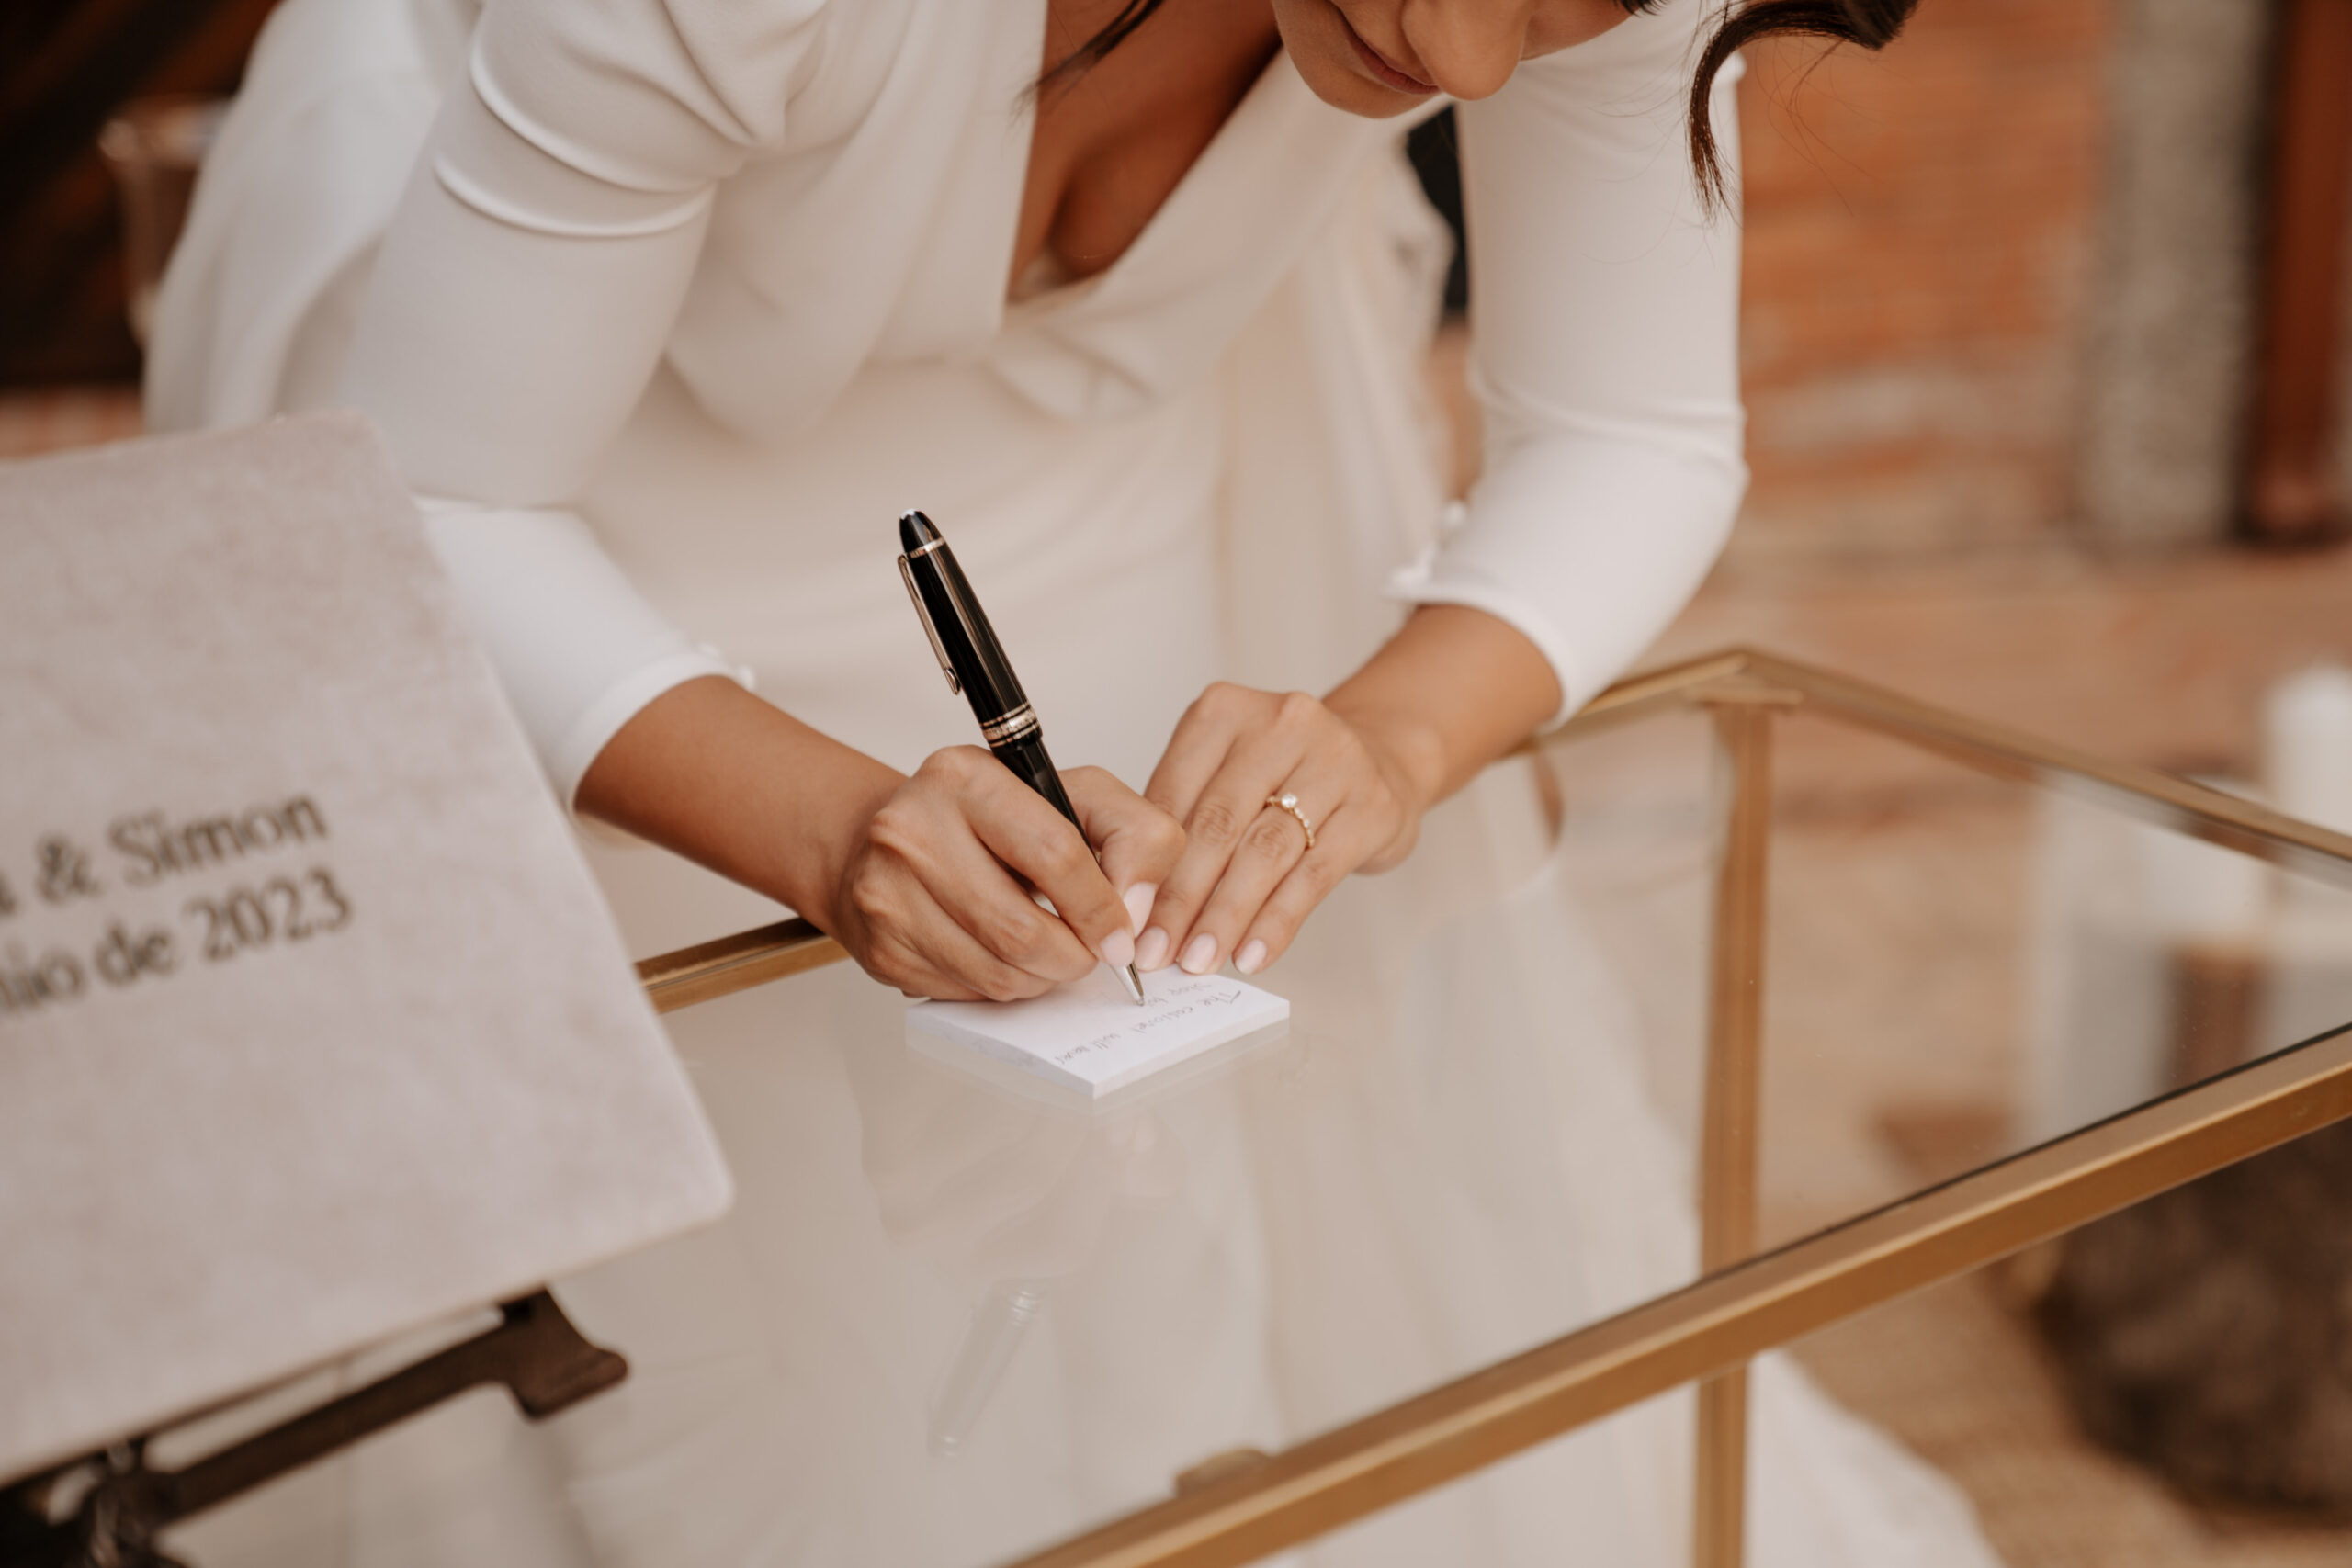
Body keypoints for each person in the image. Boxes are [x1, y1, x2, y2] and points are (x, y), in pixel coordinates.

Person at [149, 0, 2007, 1562]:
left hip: (1083, 496)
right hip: (540, 485)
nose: (1463, 57)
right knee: (686, 1347)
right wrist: (830, 825)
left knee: (1105, 1281)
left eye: (1567, 8)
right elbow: (429, 509)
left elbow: (1633, 432)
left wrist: (1384, 732)